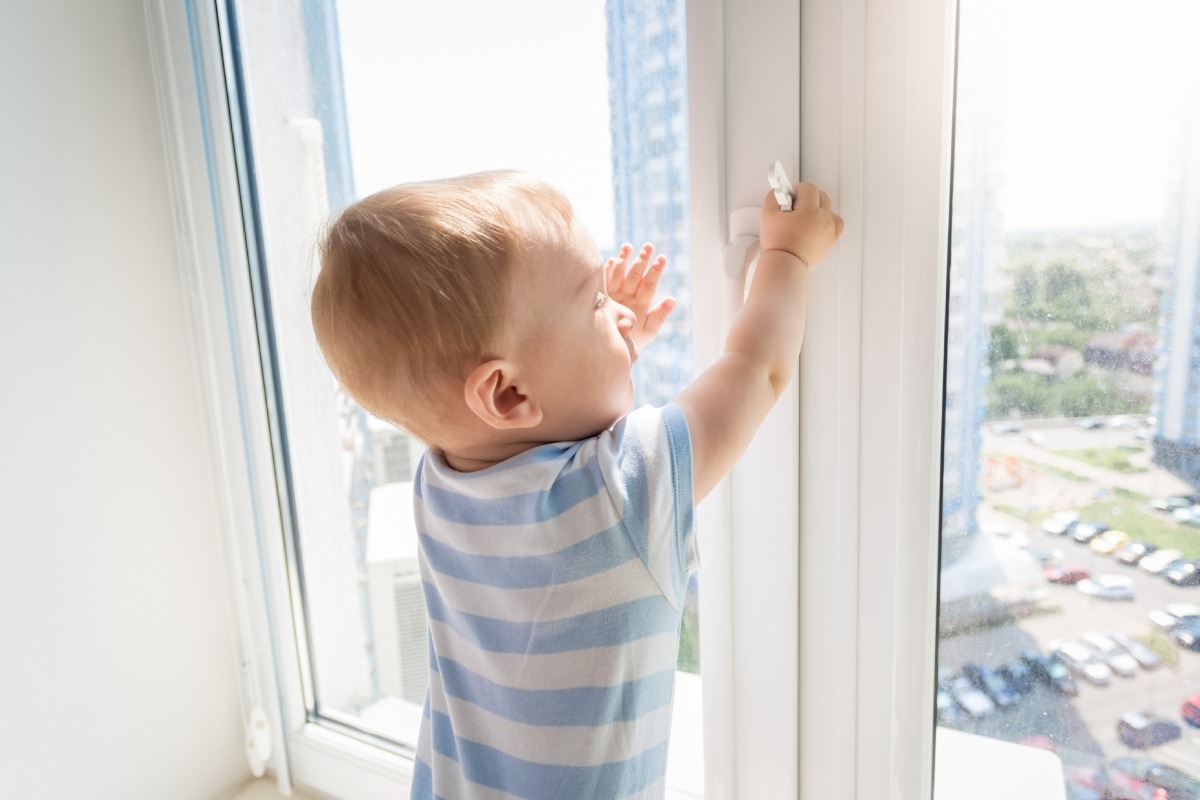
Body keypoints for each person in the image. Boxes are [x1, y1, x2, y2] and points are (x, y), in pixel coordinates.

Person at [310, 170, 843, 799]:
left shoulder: (438, 480)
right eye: (595, 302)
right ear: (507, 392)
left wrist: (599, 352)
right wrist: (786, 255)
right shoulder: (622, 495)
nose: (618, 311)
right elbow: (758, 369)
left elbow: (539, 445)